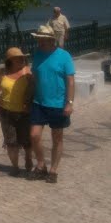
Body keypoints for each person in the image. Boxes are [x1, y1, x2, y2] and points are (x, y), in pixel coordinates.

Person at [28, 24, 75, 183]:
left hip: (58, 104)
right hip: (39, 102)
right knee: (34, 135)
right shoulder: (37, 54)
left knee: (57, 138)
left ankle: (53, 170)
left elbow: (70, 80)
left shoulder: (64, 56)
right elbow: (34, 77)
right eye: (39, 39)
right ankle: (41, 165)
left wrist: (69, 102)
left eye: (43, 40)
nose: (40, 42)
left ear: (51, 40)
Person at [0, 47, 34, 176]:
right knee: (11, 142)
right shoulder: (2, 72)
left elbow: (34, 90)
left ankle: (28, 158)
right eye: (18, 58)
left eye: (22, 58)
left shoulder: (28, 72)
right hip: (5, 112)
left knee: (27, 141)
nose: (21, 60)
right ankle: (15, 166)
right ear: (10, 60)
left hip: (25, 113)